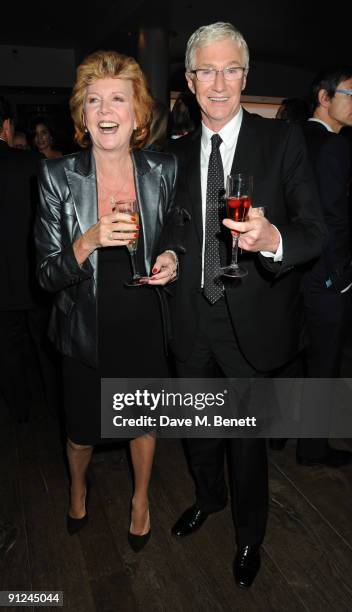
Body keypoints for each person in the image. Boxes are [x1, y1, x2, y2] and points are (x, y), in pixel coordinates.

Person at [165, 22, 325, 589]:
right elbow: (171, 232)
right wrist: (166, 254)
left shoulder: (283, 142)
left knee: (247, 444)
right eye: (205, 70)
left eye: (230, 69)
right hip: (189, 318)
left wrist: (273, 239)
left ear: (245, 76)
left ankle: (250, 535)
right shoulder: (173, 153)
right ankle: (208, 498)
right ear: (188, 80)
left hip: (252, 324)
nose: (218, 82)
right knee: (201, 431)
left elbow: (315, 232)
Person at [35, 50, 179, 551]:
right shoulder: (58, 177)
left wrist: (173, 259)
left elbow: (178, 237)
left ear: (137, 113)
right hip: (83, 327)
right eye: (93, 100)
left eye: (117, 98)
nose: (104, 109)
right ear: (82, 115)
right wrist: (90, 239)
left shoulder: (163, 170)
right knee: (81, 432)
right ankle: (78, 486)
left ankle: (141, 499)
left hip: (143, 320)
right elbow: (47, 274)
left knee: (143, 423)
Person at [296, 67, 352, 467]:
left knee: (297, 354)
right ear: (324, 97)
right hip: (326, 273)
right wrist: (340, 276)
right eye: (350, 93)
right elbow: (333, 219)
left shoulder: (297, 137)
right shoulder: (333, 146)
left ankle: (282, 434)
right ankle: (313, 449)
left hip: (296, 269)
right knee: (324, 364)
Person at [0, 96, 38, 422]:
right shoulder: (28, 163)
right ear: (7, 127)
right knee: (44, 344)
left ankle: (21, 413)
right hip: (33, 273)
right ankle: (55, 410)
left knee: (7, 350)